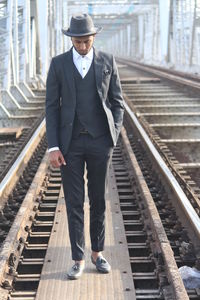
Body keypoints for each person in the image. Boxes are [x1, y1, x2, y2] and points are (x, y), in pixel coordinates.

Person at [45, 13, 124, 280]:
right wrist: (53, 146)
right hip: (70, 144)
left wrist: (113, 134)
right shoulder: (58, 65)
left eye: (86, 41)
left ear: (93, 38)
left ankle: (97, 254)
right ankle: (78, 258)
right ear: (71, 39)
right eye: (77, 42)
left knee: (99, 199)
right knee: (75, 201)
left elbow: (117, 102)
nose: (82, 46)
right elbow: (51, 108)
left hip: (101, 142)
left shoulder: (107, 61)